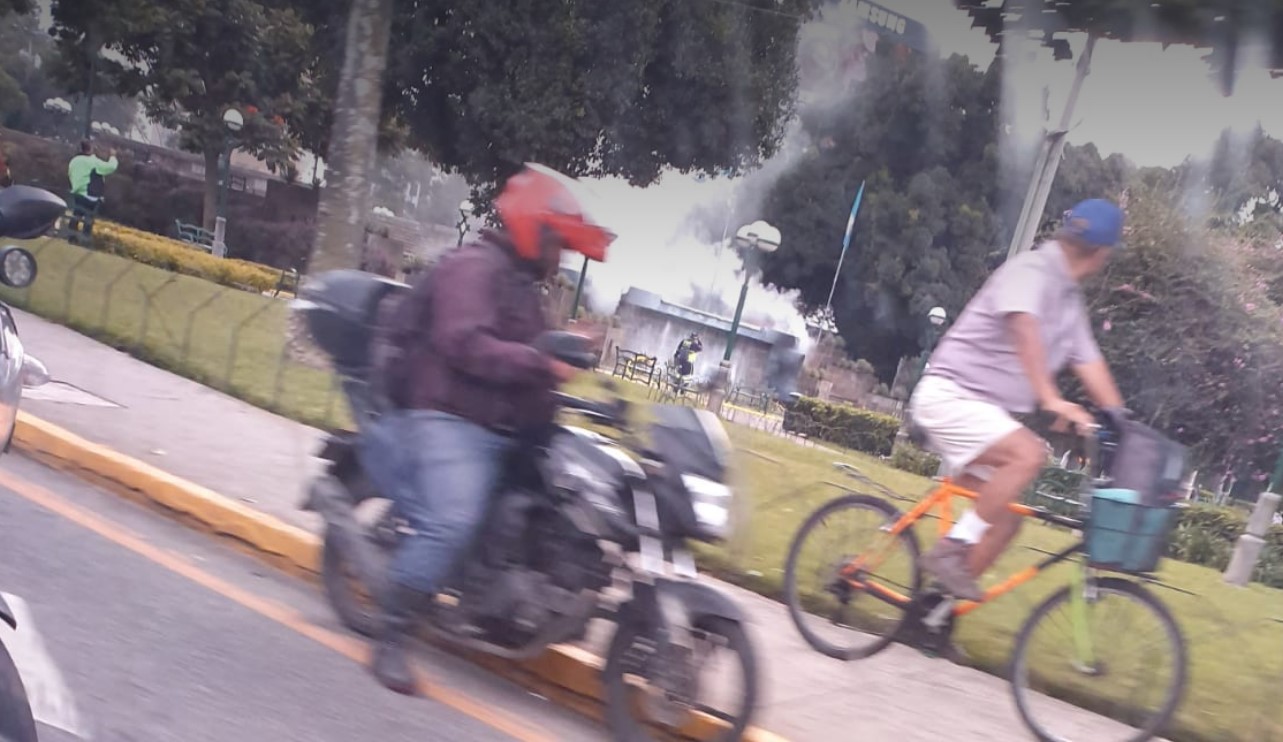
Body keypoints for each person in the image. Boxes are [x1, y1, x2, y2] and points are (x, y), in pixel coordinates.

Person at [360, 163, 615, 695]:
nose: (561, 255)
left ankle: (499, 599)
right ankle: (391, 638)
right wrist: (542, 363)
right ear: (533, 231)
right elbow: (465, 344)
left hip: (498, 426)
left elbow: (536, 356)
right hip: (448, 417)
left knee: (564, 505)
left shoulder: (524, 286)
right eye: (557, 243)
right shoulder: (474, 268)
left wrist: (578, 388)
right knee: (451, 520)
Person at [910, 199, 1127, 602]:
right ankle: (951, 549)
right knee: (1028, 454)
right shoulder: (1031, 271)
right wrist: (1052, 399)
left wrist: (1121, 420)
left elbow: (1090, 361)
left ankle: (932, 615)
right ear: (1102, 254)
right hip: (948, 395)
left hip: (979, 411)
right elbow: (1024, 329)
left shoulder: (1069, 301)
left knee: (1006, 522)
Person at [67, 139, 118, 237]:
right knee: (89, 217)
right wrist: (113, 156)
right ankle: (85, 238)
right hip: (90, 195)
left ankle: (71, 237)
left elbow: (70, 174)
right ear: (90, 149)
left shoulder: (74, 161)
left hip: (77, 193)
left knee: (77, 215)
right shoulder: (93, 161)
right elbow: (111, 167)